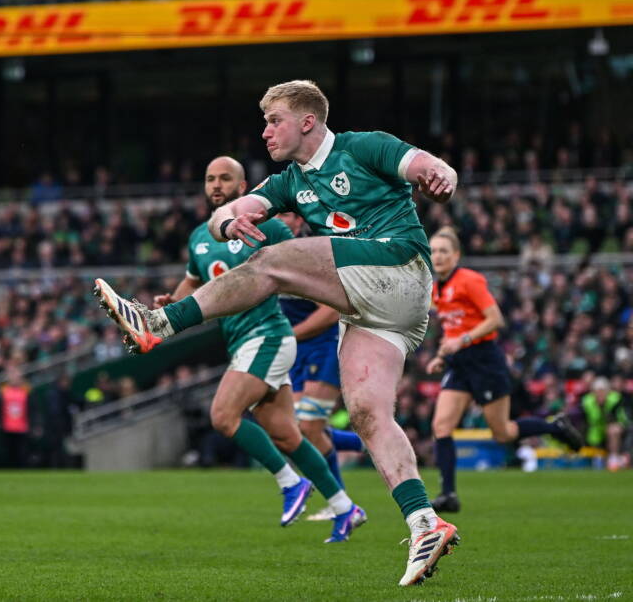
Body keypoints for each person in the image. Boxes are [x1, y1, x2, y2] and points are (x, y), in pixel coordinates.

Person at [94, 80, 459, 586]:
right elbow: (226, 214)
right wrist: (227, 225)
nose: (265, 132)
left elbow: (428, 166)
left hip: (399, 266)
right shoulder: (289, 181)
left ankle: (158, 323)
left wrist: (440, 176)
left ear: (307, 122)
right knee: (367, 414)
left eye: (274, 121)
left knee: (269, 261)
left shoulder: (363, 146)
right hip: (378, 310)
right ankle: (424, 523)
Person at [148, 156, 364, 542]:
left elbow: (312, 267)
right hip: (243, 341)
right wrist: (173, 303)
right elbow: (195, 283)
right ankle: (345, 508)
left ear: (242, 186)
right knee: (288, 436)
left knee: (223, 415)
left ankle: (290, 483)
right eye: (210, 179)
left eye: (225, 178)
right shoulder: (199, 237)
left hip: (267, 334)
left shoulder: (271, 229)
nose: (216, 185)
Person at [427, 227, 584, 510]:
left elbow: (495, 319)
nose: (437, 256)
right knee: (441, 426)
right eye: (434, 251)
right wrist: (440, 355)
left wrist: (463, 340)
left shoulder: (469, 280)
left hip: (484, 360)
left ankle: (554, 427)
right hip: (458, 362)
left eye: (443, 251)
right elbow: (451, 328)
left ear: (456, 255)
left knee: (503, 433)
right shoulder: (436, 288)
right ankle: (448, 494)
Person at [277, 211, 367, 522]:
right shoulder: (272, 253)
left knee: (308, 428)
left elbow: (330, 312)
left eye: (286, 214)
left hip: (322, 347)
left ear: (299, 221)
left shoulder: (308, 257)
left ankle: (341, 504)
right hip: (297, 351)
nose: (280, 220)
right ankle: (373, 441)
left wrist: (290, 334)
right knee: (298, 429)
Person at [580, 376, 630, 471]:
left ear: (608, 391)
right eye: (597, 391)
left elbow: (620, 419)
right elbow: (591, 421)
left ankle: (614, 458)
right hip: (596, 430)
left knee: (613, 429)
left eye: (602, 391)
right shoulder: (587, 401)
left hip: (615, 430)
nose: (600, 394)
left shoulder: (615, 399)